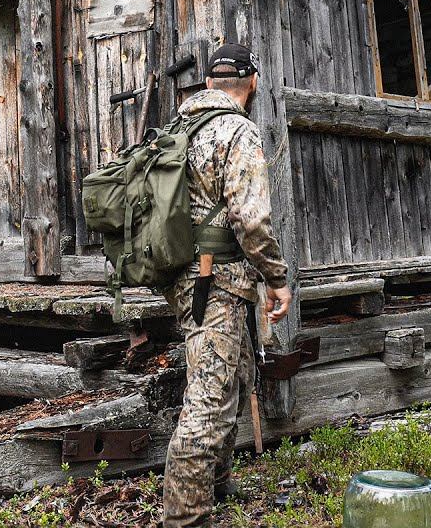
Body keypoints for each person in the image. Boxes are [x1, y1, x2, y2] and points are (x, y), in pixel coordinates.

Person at [161, 42, 292, 528]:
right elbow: (252, 220)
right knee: (209, 399)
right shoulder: (238, 130)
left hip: (188, 275)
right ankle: (185, 516)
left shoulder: (180, 126)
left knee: (232, 376)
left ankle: (217, 483)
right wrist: (277, 278)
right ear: (252, 82)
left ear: (210, 83)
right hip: (215, 281)